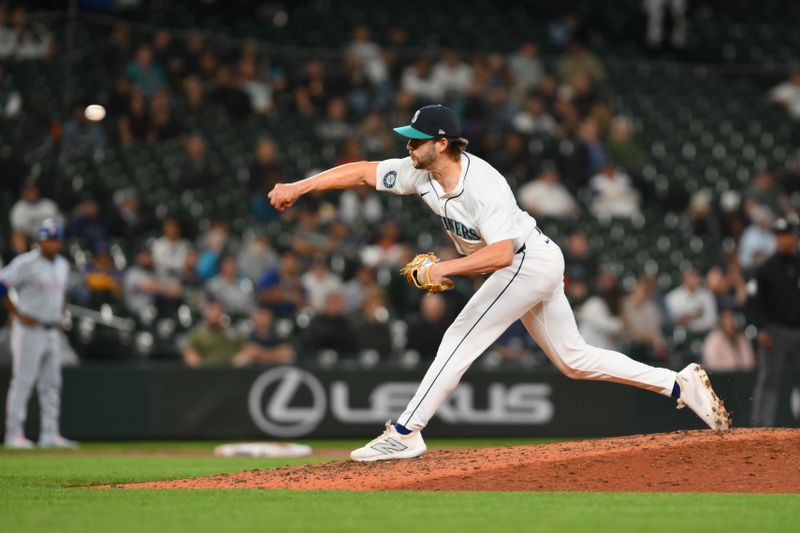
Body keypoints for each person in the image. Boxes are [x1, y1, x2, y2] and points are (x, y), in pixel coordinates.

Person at [268, 104, 730, 462]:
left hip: (527, 262)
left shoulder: (482, 184)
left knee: (460, 336)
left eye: (416, 140)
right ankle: (677, 384)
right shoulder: (419, 173)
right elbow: (363, 171)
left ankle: (404, 434)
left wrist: (441, 270)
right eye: (408, 141)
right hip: (532, 261)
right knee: (573, 359)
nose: (408, 147)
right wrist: (299, 186)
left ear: (442, 143)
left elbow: (503, 253)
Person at [0, 219, 77, 449]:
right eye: (48, 238)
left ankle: (49, 434)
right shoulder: (26, 262)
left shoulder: (62, 264)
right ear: (40, 240)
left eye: (55, 239)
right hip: (28, 330)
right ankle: (14, 434)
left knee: (52, 384)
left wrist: (61, 314)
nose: (52, 243)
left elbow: (63, 293)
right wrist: (16, 313)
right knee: (23, 381)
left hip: (52, 330)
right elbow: (2, 283)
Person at [748, 217, 800, 427]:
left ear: (795, 237)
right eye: (779, 236)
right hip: (775, 331)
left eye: (786, 235)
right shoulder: (766, 269)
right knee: (769, 381)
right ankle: (761, 428)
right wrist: (759, 329)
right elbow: (752, 301)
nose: (782, 240)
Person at [182, 301, 244, 367]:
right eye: (212, 310)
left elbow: (245, 348)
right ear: (206, 314)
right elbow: (190, 352)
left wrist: (241, 358)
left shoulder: (232, 331)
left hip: (231, 369)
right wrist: (198, 364)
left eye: (218, 310)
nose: (215, 313)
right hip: (208, 371)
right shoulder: (198, 334)